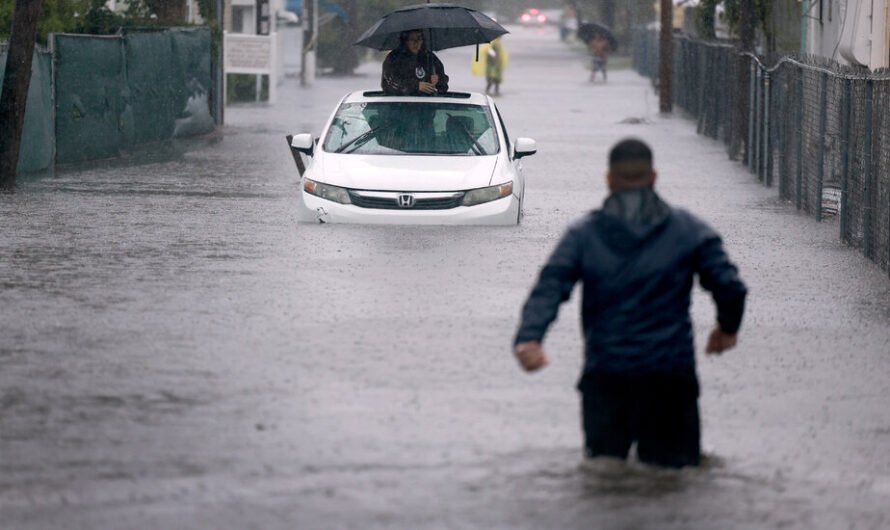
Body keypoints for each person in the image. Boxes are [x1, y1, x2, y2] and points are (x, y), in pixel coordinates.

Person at [512, 138, 747, 469]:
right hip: (670, 376)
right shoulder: (689, 230)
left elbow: (551, 286)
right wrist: (727, 328)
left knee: (604, 479)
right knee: (675, 481)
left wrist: (530, 337)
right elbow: (730, 286)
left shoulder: (583, 235)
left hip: (607, 375)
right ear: (654, 177)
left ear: (608, 180)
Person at [381, 30, 449, 96]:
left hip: (427, 103)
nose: (416, 43)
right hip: (400, 103)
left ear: (423, 40)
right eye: (412, 39)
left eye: (419, 39)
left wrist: (438, 81)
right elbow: (390, 83)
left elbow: (443, 87)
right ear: (405, 41)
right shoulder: (393, 58)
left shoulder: (430, 57)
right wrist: (416, 86)